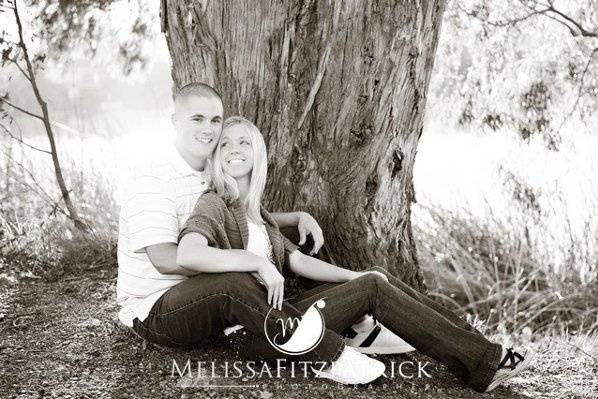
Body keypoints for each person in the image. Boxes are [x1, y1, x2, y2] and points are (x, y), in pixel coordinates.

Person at [174, 116, 535, 392]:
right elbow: (188, 253)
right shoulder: (214, 203)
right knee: (373, 289)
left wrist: (356, 276)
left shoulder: (259, 214)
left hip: (291, 314)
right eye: (225, 145)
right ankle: (483, 365)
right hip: (258, 332)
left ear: (257, 152)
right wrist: (254, 263)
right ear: (217, 157)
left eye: (243, 142)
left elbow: (297, 261)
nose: (234, 149)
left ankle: (485, 350)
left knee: (375, 276)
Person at [116, 83, 328, 341]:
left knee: (294, 235)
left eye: (215, 120)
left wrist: (296, 217)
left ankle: (340, 310)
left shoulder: (213, 167)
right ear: (175, 121)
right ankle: (313, 341)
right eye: (197, 119)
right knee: (232, 280)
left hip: (205, 290)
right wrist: (248, 261)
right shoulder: (151, 177)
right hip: (156, 306)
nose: (208, 129)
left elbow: (241, 220)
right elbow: (166, 260)